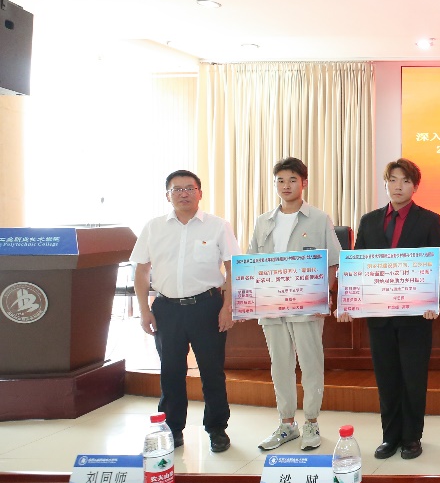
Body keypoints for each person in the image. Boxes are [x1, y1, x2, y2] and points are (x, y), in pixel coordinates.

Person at [131, 170, 239, 453]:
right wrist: (144, 310)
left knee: (212, 372)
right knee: (171, 372)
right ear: (167, 195)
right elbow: (141, 271)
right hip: (166, 309)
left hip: (207, 307)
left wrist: (228, 307)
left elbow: (233, 268)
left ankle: (217, 429)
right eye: (176, 189)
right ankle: (172, 430)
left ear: (199, 193)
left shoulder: (217, 226)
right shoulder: (154, 227)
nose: (183, 194)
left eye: (189, 188)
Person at [346, 158, 440, 460]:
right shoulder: (369, 221)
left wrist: (435, 301)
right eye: (393, 180)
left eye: (405, 181)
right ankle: (390, 437)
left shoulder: (429, 220)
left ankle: (412, 437)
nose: (398, 186)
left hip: (416, 316)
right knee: (386, 378)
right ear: (386, 183)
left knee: (413, 378)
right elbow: (358, 265)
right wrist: (350, 300)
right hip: (380, 316)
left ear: (415, 186)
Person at [249, 157, 343, 452]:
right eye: (280, 180)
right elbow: (251, 263)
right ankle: (287, 423)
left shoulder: (318, 218)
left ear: (304, 183)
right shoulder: (263, 221)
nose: (286, 186)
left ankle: (311, 422)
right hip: (271, 303)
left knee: (311, 363)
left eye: (292, 180)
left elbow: (333, 262)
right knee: (280, 364)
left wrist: (325, 294)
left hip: (307, 304)